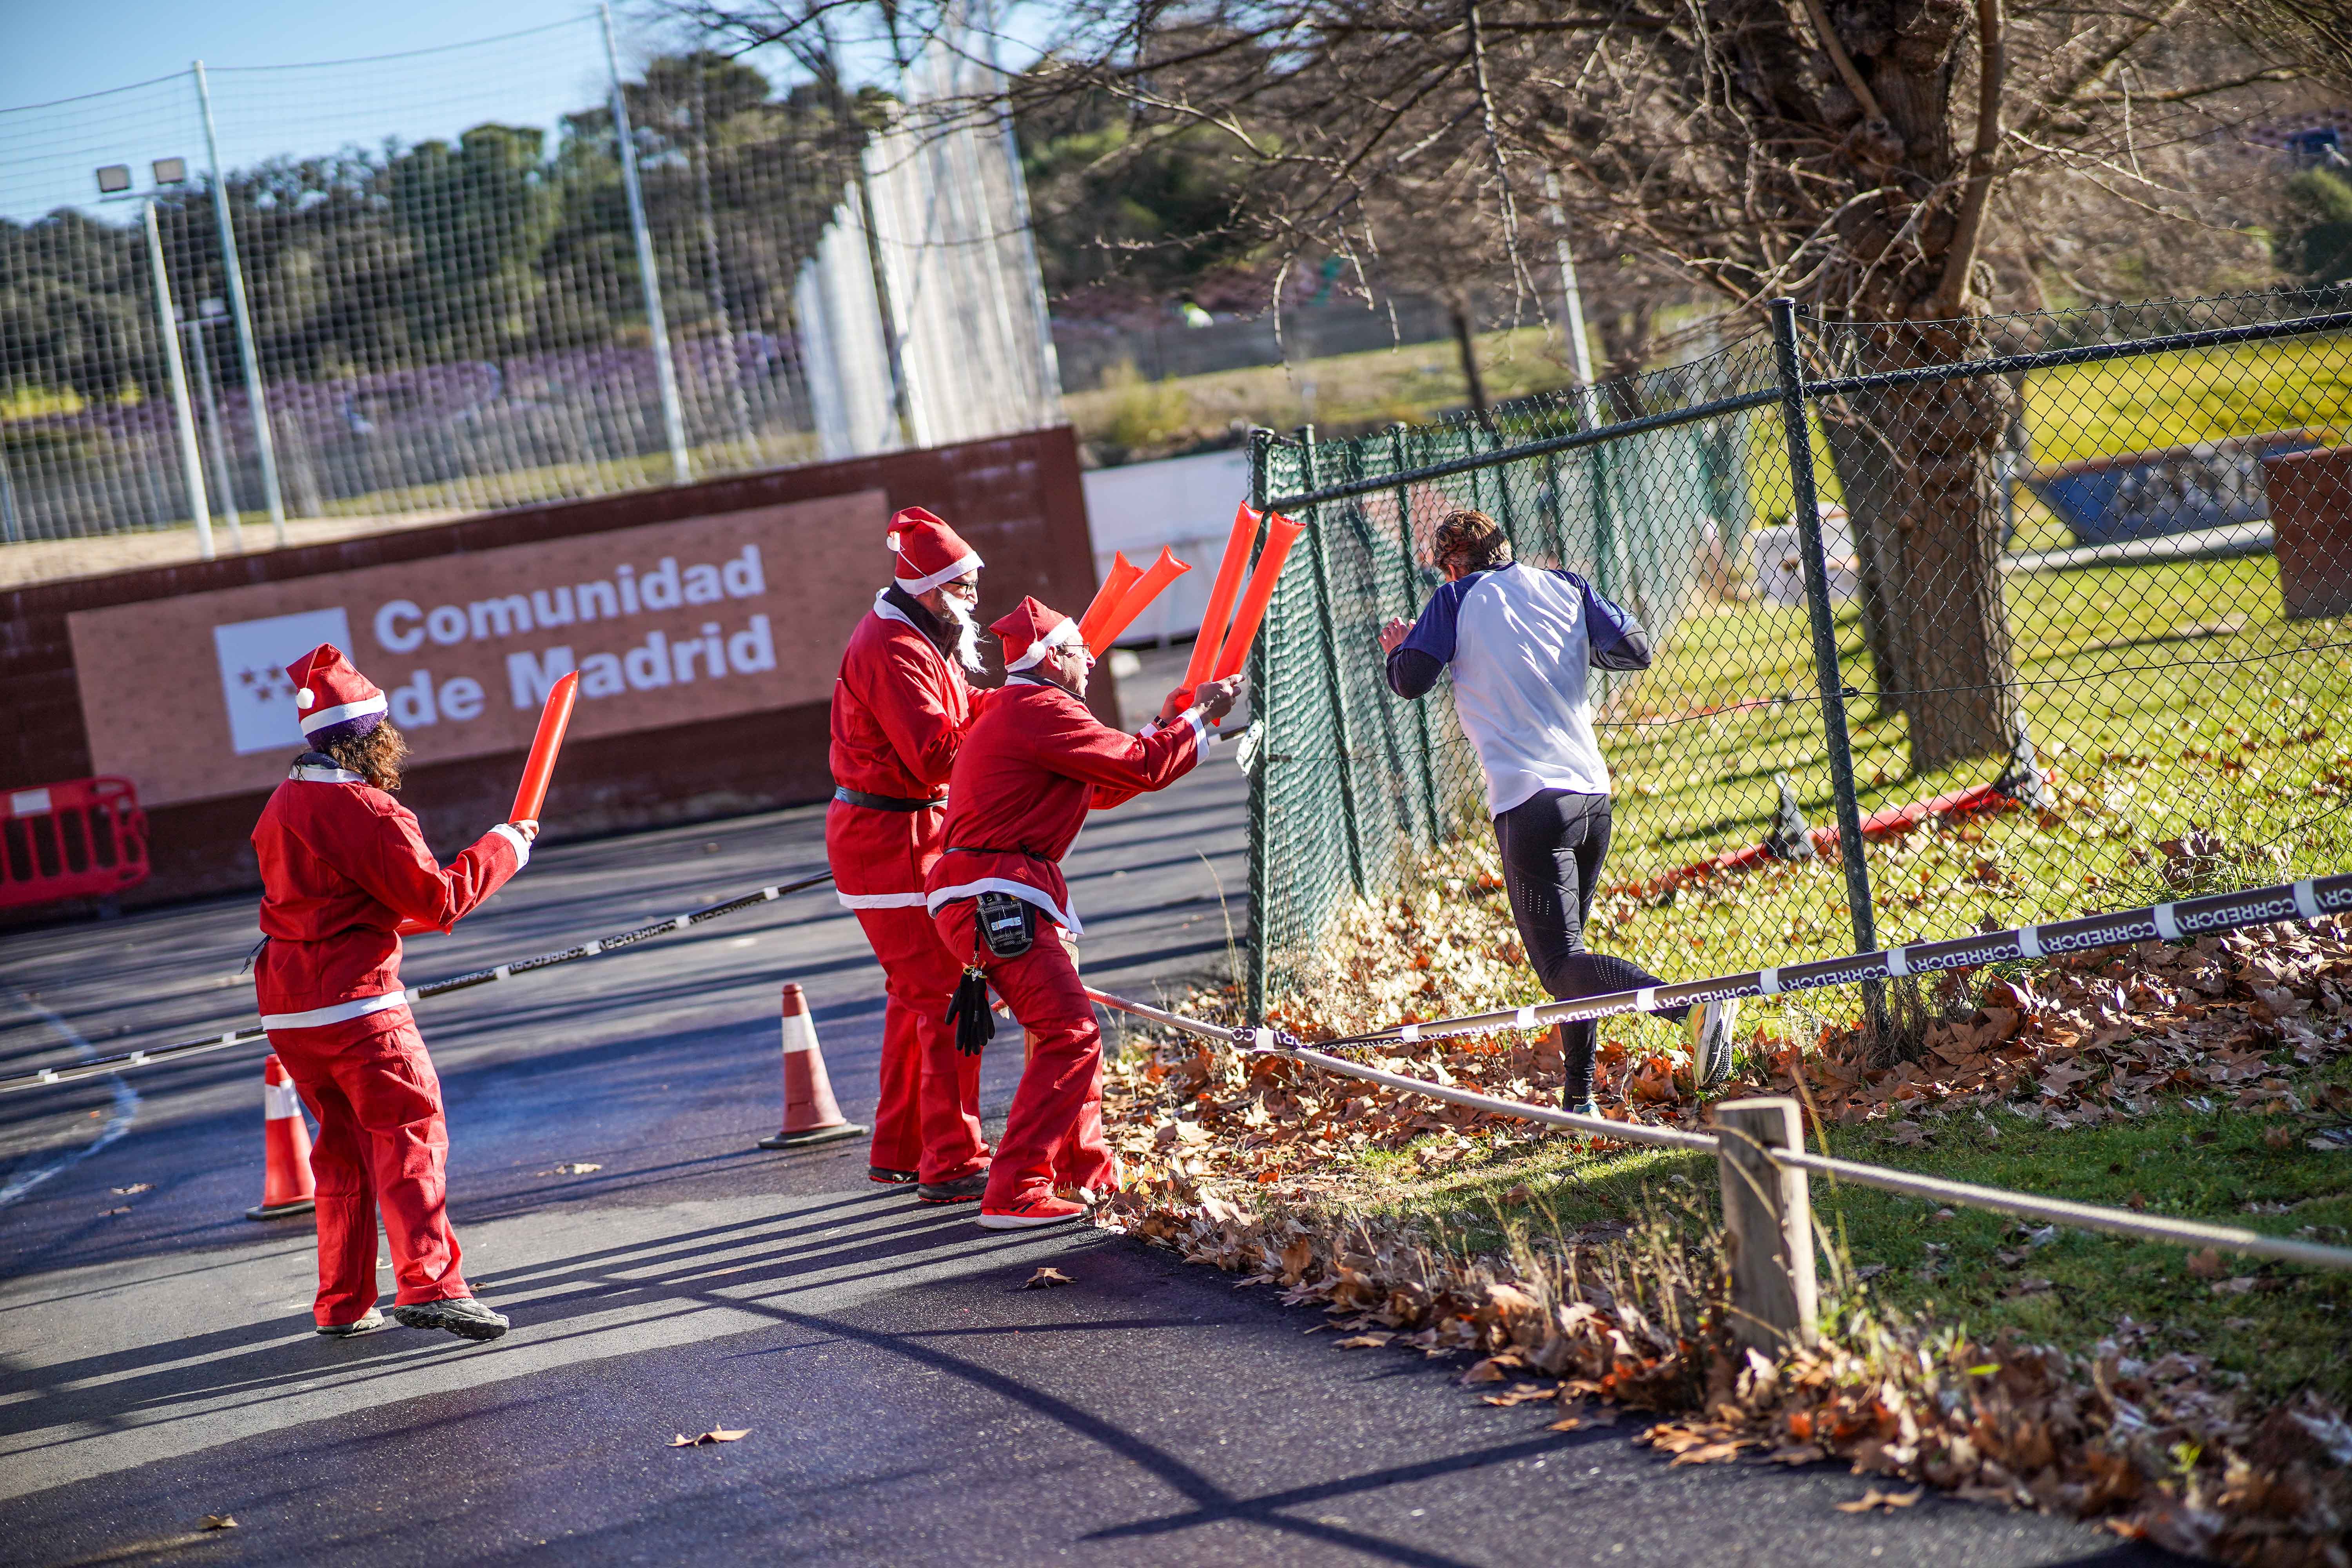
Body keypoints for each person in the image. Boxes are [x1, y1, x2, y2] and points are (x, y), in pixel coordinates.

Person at [1377, 509, 1736, 1114]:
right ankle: (1579, 1100)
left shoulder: (1453, 600)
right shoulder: (1565, 586)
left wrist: (1399, 647)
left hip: (1530, 802)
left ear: (1452, 564)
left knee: (1561, 963)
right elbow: (1635, 648)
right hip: (1592, 796)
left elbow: (1410, 681)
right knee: (1576, 958)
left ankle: (1690, 1007)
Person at [926, 598, 1242, 1229]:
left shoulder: (1028, 710)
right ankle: (1015, 1191)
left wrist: (1176, 727)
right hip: (998, 894)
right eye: (1079, 649)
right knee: (1073, 1035)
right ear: (1053, 659)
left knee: (1062, 1033)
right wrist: (1199, 718)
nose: (1091, 658)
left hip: (999, 892)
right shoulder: (1041, 710)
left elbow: (1105, 781)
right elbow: (1138, 767)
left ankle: (1082, 1169)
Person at [250, 644, 536, 1341]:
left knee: (341, 1154)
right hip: (359, 1005)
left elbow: (329, 901)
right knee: (410, 1137)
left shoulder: (282, 804)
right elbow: (437, 899)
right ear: (372, 737)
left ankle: (342, 1304)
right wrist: (507, 846)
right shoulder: (368, 810)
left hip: (291, 1009)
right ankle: (431, 1284)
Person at [828, 507, 994, 1203]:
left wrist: (1009, 710)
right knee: (947, 993)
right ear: (933, 587)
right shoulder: (895, 647)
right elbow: (934, 754)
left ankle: (902, 1148)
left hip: (903, 835)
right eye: (968, 584)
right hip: (889, 840)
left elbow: (957, 715)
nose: (978, 597)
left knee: (915, 996)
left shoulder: (922, 632)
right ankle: (952, 1159)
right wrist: (1011, 727)